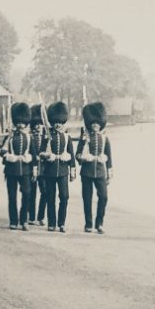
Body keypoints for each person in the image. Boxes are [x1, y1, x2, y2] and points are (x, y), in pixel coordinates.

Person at [37, 100, 75, 232]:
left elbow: (72, 155)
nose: (58, 124)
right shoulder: (47, 136)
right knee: (50, 197)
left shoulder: (67, 136)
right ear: (53, 122)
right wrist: (47, 155)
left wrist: (72, 172)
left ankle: (61, 223)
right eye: (56, 122)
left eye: (60, 122)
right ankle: (52, 223)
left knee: (64, 196)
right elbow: (40, 153)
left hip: (63, 171)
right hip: (50, 171)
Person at [77, 101, 113, 234]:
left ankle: (99, 224)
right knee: (87, 198)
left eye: (98, 123)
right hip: (86, 172)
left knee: (103, 197)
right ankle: (88, 224)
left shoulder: (105, 139)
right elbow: (78, 155)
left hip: (100, 172)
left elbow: (109, 157)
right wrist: (85, 155)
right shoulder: (84, 137)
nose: (96, 125)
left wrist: (109, 173)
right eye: (93, 123)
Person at [0, 102, 33, 230]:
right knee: (12, 197)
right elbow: (2, 152)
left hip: (25, 170)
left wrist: (34, 170)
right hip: (11, 170)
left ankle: (24, 220)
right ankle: (13, 221)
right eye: (18, 122)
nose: (20, 124)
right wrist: (8, 156)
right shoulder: (10, 137)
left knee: (27, 194)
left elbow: (33, 154)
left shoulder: (29, 138)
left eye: (22, 122)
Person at [26, 104, 47, 225]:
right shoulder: (29, 138)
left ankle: (41, 216)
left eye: (40, 124)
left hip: (43, 170)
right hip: (31, 169)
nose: (39, 126)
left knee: (44, 192)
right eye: (36, 124)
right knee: (31, 193)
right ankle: (32, 217)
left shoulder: (46, 137)